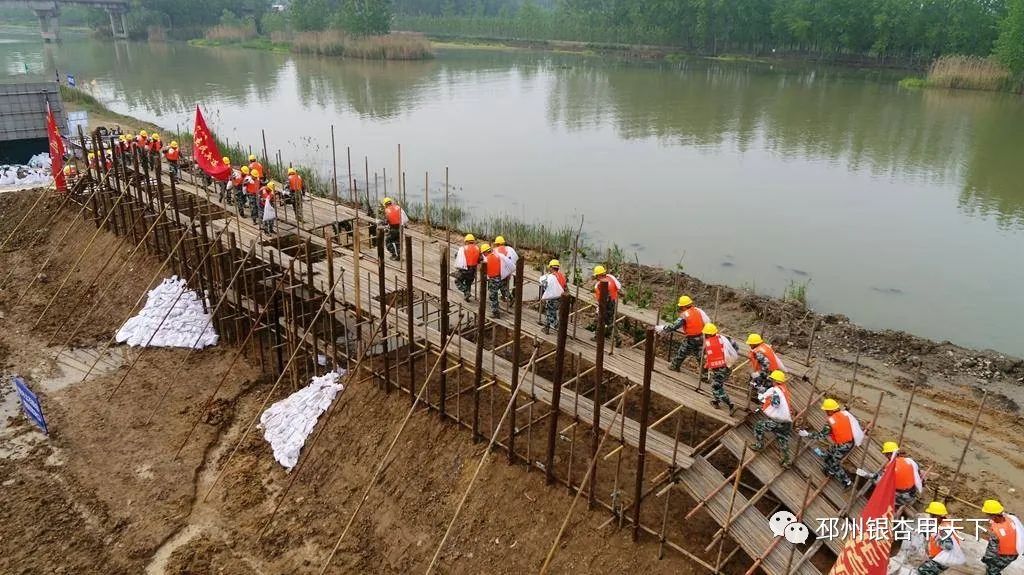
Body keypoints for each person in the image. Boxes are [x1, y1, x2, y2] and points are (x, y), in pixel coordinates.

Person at [798, 398, 865, 489]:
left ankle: (847, 482)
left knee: (834, 463)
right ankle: (830, 470)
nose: (825, 412)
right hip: (847, 441)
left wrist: (807, 434)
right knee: (829, 453)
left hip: (844, 445)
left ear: (830, 411)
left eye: (826, 410)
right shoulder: (843, 414)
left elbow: (820, 436)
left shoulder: (830, 423)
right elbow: (846, 412)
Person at [857, 442, 923, 506]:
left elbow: (882, 482)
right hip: (912, 493)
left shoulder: (890, 468)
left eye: (886, 454)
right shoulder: (910, 461)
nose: (885, 456)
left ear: (889, 454)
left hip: (902, 497)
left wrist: (866, 475)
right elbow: (918, 473)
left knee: (876, 480)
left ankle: (892, 502)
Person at [750, 370, 794, 466]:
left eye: (772, 379)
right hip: (787, 421)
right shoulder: (783, 389)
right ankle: (787, 462)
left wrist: (765, 397)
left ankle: (759, 445)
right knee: (782, 439)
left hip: (778, 421)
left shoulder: (776, 392)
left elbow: (775, 404)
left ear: (774, 380)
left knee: (759, 426)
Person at [657, 295, 709, 371]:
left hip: (691, 338)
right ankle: (704, 375)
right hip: (701, 337)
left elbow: (675, 326)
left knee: (682, 352)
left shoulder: (685, 315)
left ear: (684, 306)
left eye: (681, 307)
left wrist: (663, 328)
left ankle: (674, 366)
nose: (680, 309)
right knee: (700, 356)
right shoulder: (697, 311)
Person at [917, 501, 965, 575]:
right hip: (941, 557)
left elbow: (948, 546)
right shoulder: (941, 523)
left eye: (931, 515)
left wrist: (938, 540)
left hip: (944, 559)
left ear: (936, 516)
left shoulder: (944, 529)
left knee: (923, 570)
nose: (930, 516)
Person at [702, 323, 739, 412]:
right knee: (719, 384)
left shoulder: (709, 343)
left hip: (720, 369)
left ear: (708, 334)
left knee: (715, 386)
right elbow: (735, 346)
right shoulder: (723, 338)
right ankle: (716, 402)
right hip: (727, 366)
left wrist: (706, 366)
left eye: (705, 334)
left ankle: (730, 404)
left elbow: (710, 358)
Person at [981, 499, 1024, 575]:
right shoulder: (1011, 518)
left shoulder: (996, 532)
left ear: (992, 515)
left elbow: (991, 551)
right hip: (1014, 551)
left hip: (1006, 555)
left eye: (988, 514)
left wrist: (986, 559)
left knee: (991, 571)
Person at [481, 243, 512, 318]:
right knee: (503, 289)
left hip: (493, 280)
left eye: (483, 253)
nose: (483, 255)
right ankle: (511, 297)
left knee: (493, 296)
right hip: (500, 278)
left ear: (485, 252)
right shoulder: (497, 255)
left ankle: (495, 312)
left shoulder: (486, 259)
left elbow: (484, 271)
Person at [538, 259, 567, 334]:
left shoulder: (550, 277)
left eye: (549, 267)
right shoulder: (562, 276)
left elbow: (543, 283)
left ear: (551, 267)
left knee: (550, 313)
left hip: (552, 299)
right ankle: (546, 328)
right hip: (560, 299)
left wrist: (543, 297)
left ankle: (559, 327)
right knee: (550, 313)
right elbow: (565, 287)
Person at [592, 265, 622, 337]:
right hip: (613, 302)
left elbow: (600, 299)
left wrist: (598, 309)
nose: (596, 277)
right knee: (609, 319)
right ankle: (607, 334)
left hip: (605, 304)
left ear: (599, 275)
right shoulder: (611, 277)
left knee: (601, 319)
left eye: (596, 276)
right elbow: (619, 287)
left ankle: (598, 336)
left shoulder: (598, 285)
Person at [454, 234, 481, 300]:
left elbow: (456, 256)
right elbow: (480, 259)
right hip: (473, 270)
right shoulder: (477, 248)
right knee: (468, 283)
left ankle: (466, 292)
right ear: (473, 241)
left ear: (466, 241)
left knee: (457, 281)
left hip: (464, 269)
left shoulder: (463, 249)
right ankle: (467, 296)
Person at [493, 236, 518, 301]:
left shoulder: (495, 250)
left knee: (499, 286)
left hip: (500, 272)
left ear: (497, 244)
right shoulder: (511, 249)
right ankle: (505, 297)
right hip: (510, 271)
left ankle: (507, 297)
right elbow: (516, 259)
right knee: (504, 285)